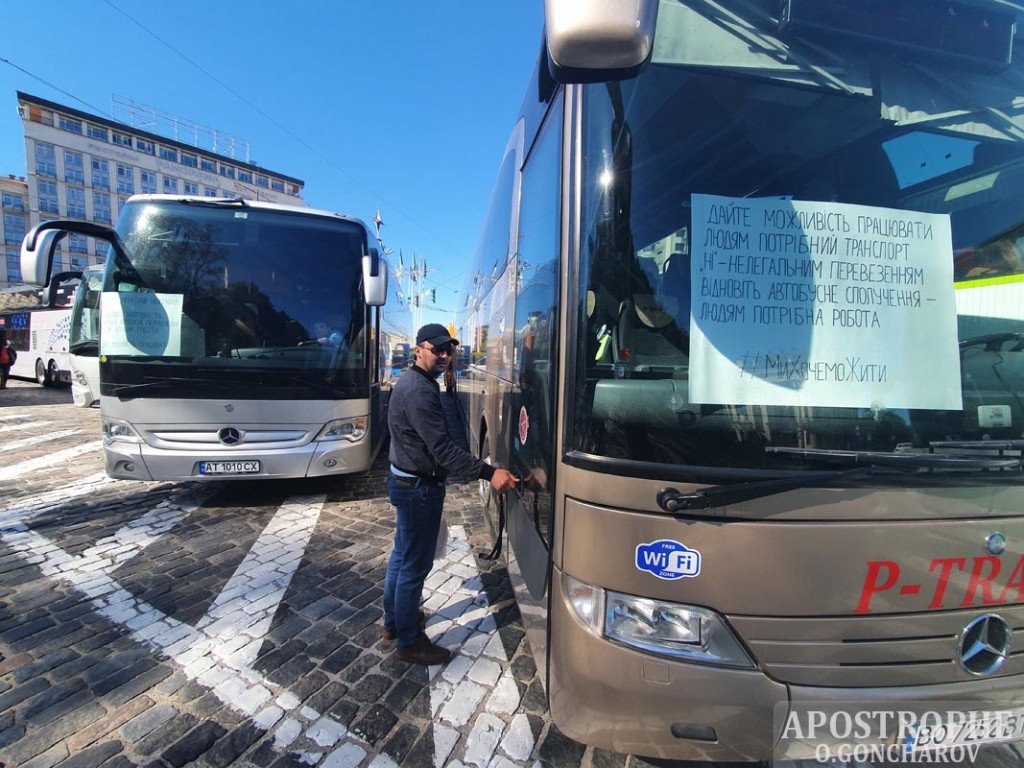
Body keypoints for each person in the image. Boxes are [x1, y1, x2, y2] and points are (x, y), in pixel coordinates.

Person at [383, 323, 519, 665]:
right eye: (437, 350)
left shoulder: (416, 382)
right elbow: (443, 450)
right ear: (418, 349)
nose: (444, 356)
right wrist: (490, 472)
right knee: (414, 565)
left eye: (449, 351)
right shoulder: (419, 390)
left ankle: (393, 623)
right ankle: (410, 642)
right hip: (418, 489)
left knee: (402, 557)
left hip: (405, 481)